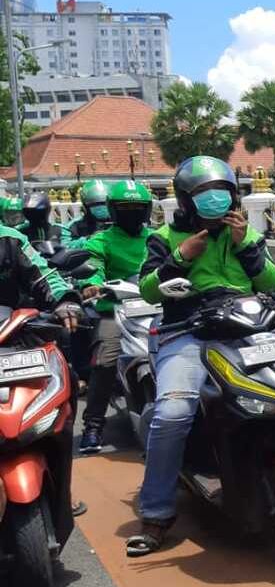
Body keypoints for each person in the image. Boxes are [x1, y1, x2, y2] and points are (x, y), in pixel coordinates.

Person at [128, 157, 275, 555]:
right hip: (187, 332)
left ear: (234, 195)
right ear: (185, 199)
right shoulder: (164, 236)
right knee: (173, 414)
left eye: (221, 193)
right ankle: (156, 512)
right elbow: (147, 290)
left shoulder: (245, 233)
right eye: (202, 195)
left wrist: (244, 243)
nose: (214, 201)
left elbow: (271, 281)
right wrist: (181, 256)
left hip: (245, 328)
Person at [0, 215, 82, 539]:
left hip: (13, 346)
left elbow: (46, 276)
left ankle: (62, 490)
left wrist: (65, 302)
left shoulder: (9, 240)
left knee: (66, 384)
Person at [77, 181, 153, 454]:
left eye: (138, 208)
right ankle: (93, 425)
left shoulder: (157, 237)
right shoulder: (101, 240)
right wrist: (92, 283)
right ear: (113, 210)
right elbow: (93, 266)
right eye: (125, 208)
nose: (132, 213)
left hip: (157, 310)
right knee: (105, 361)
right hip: (115, 311)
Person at [68, 180, 112, 245]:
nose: (102, 208)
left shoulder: (119, 222)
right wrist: (89, 238)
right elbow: (66, 247)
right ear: (85, 207)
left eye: (104, 204)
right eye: (96, 205)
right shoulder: (74, 225)